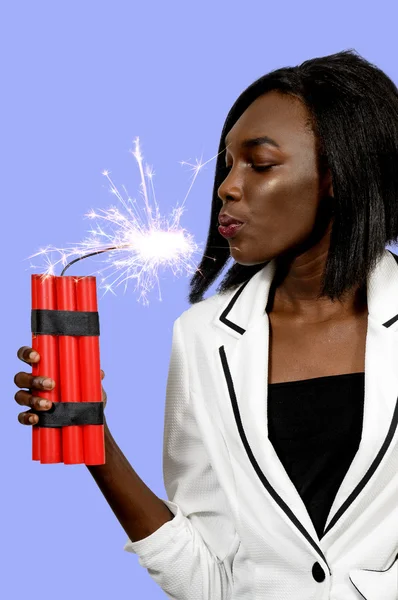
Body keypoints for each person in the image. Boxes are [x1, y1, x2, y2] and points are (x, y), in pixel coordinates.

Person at [14, 48, 398, 599]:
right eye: (227, 164)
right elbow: (210, 578)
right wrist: (93, 441)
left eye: (259, 164)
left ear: (338, 175)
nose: (226, 186)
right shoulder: (200, 339)